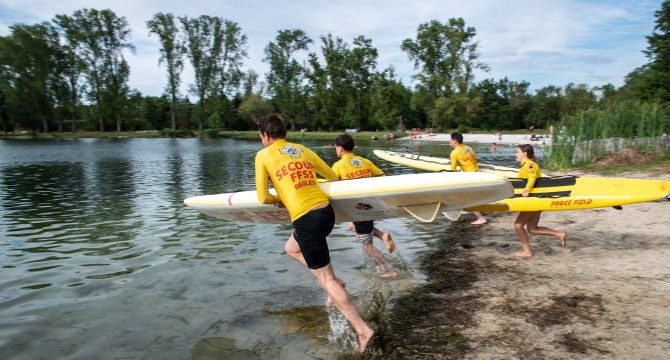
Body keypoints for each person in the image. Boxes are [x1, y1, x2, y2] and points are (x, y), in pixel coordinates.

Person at [254, 113, 374, 352]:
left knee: (326, 280)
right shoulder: (302, 150)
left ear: (265, 135)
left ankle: (363, 330)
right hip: (325, 212)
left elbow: (263, 197)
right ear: (284, 133)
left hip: (306, 219)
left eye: (261, 136)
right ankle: (335, 281)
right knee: (291, 248)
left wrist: (281, 197)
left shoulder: (263, 155)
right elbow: (331, 176)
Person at [331, 133, 398, 278]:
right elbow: (382, 176)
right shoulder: (364, 161)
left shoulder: (338, 166)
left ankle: (388, 269)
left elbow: (330, 186)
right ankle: (382, 235)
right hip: (370, 204)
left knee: (366, 245)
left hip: (358, 208)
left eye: (336, 147)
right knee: (351, 226)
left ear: (340, 149)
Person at [513, 144, 567, 257]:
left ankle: (527, 252)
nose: (515, 154)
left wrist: (527, 189)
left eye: (517, 152)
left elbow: (532, 177)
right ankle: (560, 234)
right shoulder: (527, 165)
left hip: (533, 202)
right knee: (532, 229)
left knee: (518, 225)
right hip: (536, 201)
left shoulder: (530, 165)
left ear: (525, 154)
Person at [449, 132, 487, 225]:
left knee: (467, 198)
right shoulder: (469, 148)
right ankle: (478, 212)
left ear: (455, 141)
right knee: (474, 196)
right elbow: (471, 161)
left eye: (450, 140)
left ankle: (481, 218)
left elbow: (453, 170)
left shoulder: (454, 153)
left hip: (471, 177)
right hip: (478, 173)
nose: (449, 141)